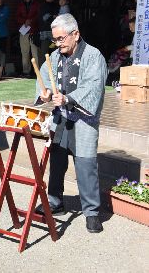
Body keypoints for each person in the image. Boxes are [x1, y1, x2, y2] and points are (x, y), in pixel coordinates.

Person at [35, 13, 107, 234]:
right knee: (56, 160)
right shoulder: (55, 56)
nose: (58, 44)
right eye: (55, 39)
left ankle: (92, 212)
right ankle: (55, 202)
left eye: (61, 39)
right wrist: (45, 94)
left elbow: (94, 86)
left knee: (85, 165)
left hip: (83, 117)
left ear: (75, 34)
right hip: (60, 116)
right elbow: (45, 81)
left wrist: (67, 99)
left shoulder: (93, 56)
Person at [16, 0, 40, 77]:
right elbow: (17, 17)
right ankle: (26, 71)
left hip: (34, 30)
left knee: (35, 52)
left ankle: (36, 72)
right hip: (23, 31)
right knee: (24, 52)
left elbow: (38, 15)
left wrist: (31, 20)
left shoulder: (36, 4)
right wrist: (24, 21)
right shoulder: (20, 4)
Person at [38, 0, 59, 66]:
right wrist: (54, 16)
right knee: (45, 53)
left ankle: (55, 73)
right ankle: (44, 73)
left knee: (56, 52)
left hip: (55, 36)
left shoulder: (58, 6)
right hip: (45, 35)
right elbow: (45, 18)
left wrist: (53, 17)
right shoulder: (42, 7)